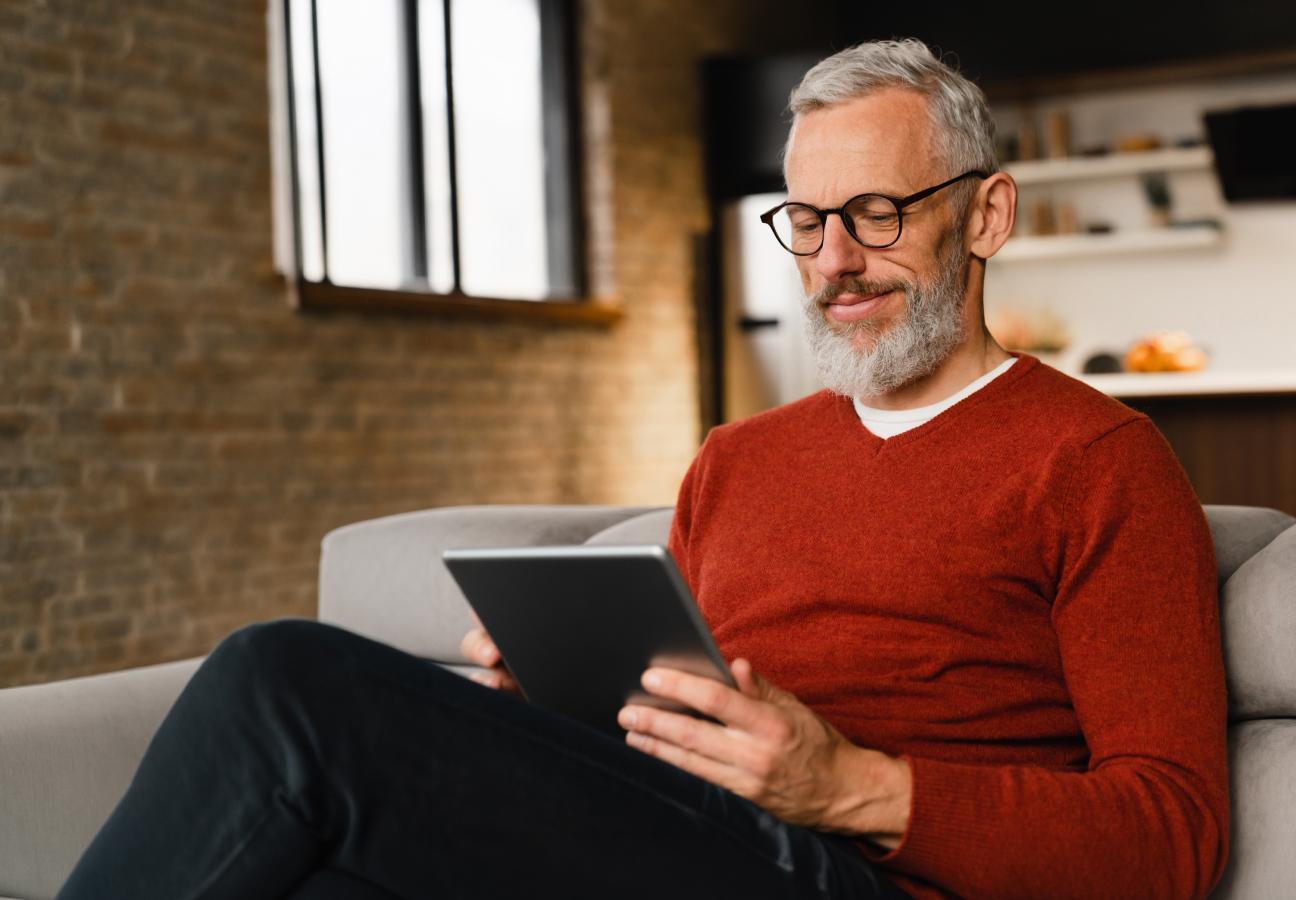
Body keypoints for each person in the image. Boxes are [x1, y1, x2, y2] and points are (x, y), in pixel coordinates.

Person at [59, 39, 1227, 900]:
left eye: (874, 213)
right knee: (313, 870)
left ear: (985, 216)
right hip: (678, 843)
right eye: (805, 221)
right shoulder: (741, 460)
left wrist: (851, 788)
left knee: (281, 676)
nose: (834, 262)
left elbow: (1172, 838)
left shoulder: (1096, 464)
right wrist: (550, 715)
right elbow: (665, 728)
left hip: (850, 879)